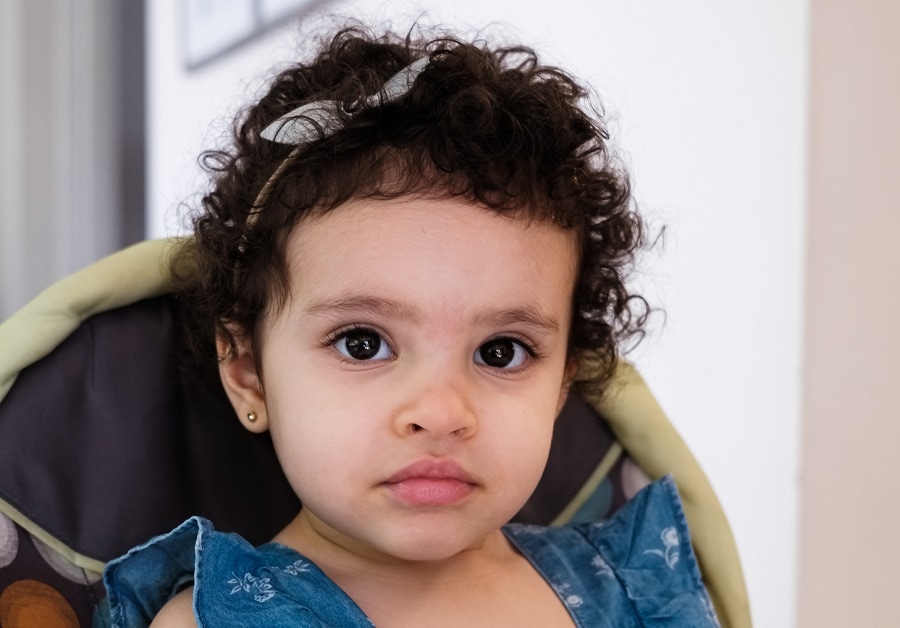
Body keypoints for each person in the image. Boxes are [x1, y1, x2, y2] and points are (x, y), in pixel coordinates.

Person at [102, 23, 720, 627]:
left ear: (561, 385)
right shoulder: (214, 620)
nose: (441, 411)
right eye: (363, 343)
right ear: (249, 376)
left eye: (502, 352)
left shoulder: (633, 585)